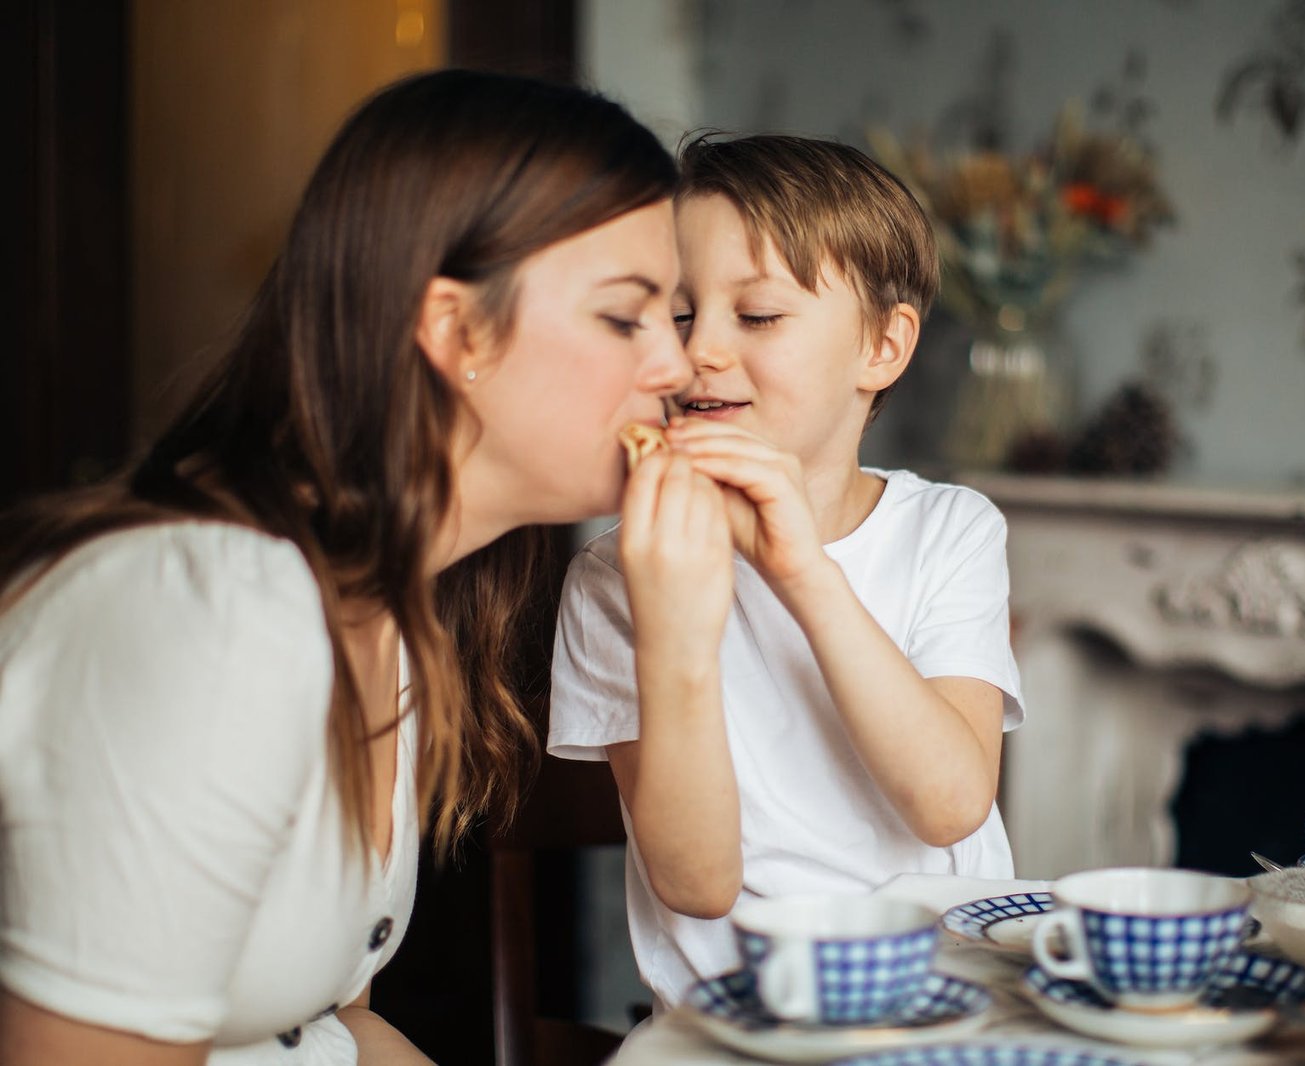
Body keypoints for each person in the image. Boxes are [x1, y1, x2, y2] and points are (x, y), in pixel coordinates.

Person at [0, 69, 723, 1065]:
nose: (677, 367)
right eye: (623, 316)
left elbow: (329, 1026)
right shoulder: (216, 615)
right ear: (454, 329)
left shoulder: (393, 608)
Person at [548, 133, 1026, 1009]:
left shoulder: (950, 531)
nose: (700, 353)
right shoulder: (620, 575)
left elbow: (950, 804)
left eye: (758, 316)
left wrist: (802, 571)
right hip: (737, 1022)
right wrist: (675, 624)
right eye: (679, 316)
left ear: (883, 345)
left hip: (949, 1002)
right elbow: (695, 885)